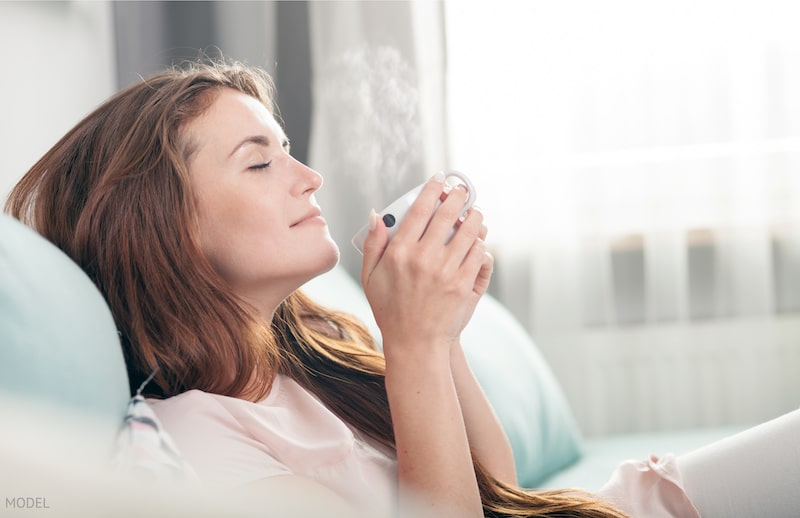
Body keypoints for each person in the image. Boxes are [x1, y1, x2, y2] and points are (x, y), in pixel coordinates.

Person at [5, 60, 799, 518]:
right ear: (160, 225)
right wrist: (415, 344)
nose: (309, 178)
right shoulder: (199, 439)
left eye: (289, 150)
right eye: (260, 161)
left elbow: (500, 486)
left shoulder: (313, 355)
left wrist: (441, 334)